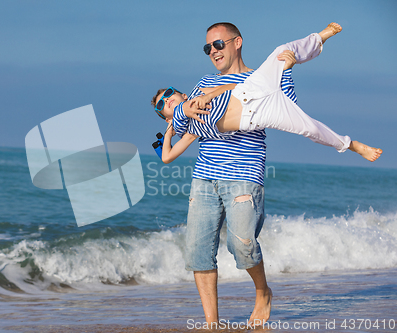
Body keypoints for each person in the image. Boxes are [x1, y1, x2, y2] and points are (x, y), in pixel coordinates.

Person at [151, 22, 380, 328]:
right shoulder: (201, 86)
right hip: (206, 177)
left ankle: (263, 292)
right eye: (207, 48)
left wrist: (287, 67)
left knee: (243, 246)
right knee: (198, 252)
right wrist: (181, 112)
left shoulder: (237, 80)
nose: (213, 52)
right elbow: (179, 128)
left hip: (247, 162)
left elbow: (290, 106)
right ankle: (211, 324)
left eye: (218, 44)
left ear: (237, 42)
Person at [154, 25, 382, 164]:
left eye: (169, 94)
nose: (167, 100)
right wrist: (169, 132)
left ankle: (318, 39)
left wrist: (211, 94)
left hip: (248, 91)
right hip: (256, 116)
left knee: (281, 52)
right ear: (166, 116)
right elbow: (166, 157)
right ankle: (351, 145)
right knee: (310, 128)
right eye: (162, 104)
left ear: (183, 94)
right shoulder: (190, 130)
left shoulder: (199, 89)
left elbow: (232, 87)